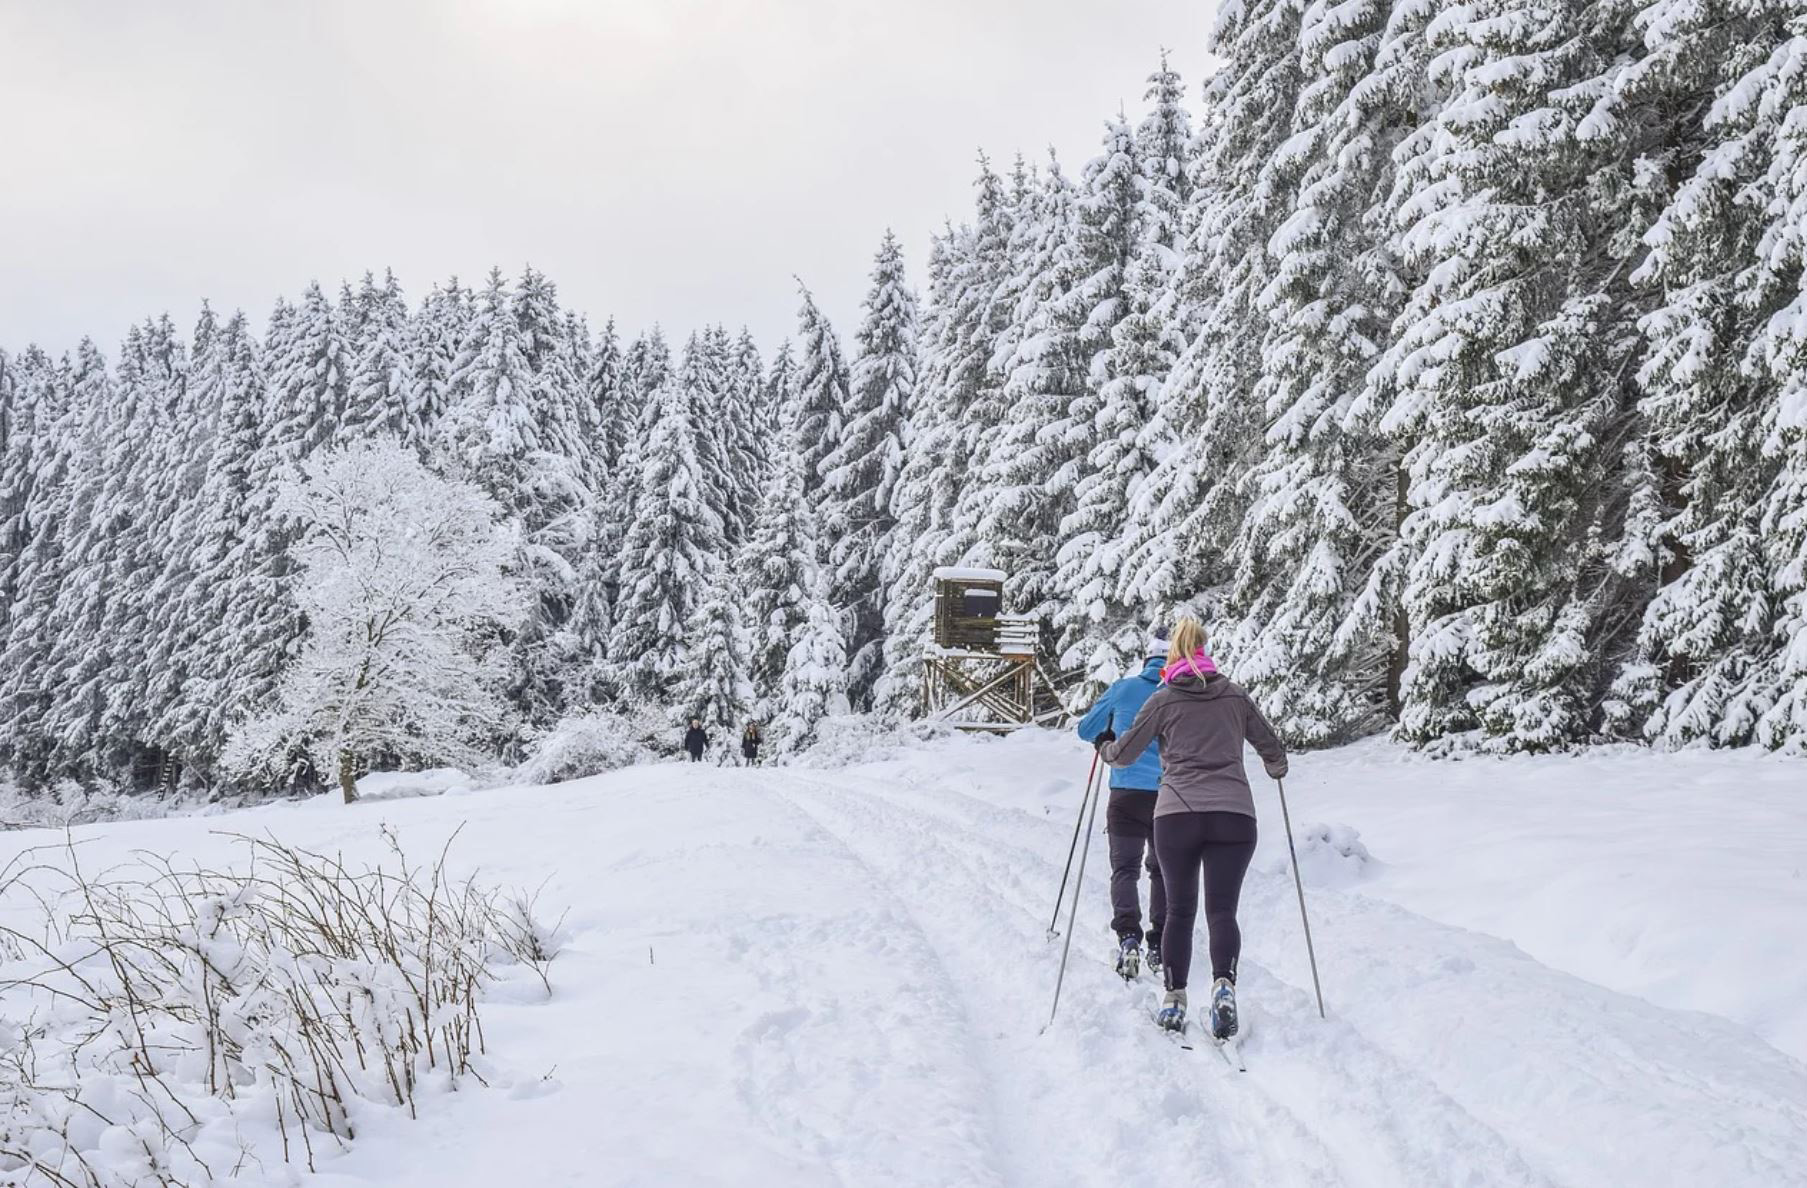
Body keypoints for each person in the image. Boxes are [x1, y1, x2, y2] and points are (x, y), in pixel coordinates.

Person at [1096, 617, 1287, 1041]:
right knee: (1222, 911)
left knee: (1180, 910)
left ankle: (1174, 998)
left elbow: (1125, 753)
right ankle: (1223, 985)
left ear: (1174, 655)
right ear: (1205, 649)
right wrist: (1276, 767)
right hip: (1235, 815)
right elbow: (1272, 747)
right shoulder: (1235, 696)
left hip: (1177, 815)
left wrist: (1105, 748)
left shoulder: (1164, 700)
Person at [1074, 625, 1171, 981]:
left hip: (1126, 793)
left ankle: (1128, 937)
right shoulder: (1177, 692)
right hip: (1168, 795)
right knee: (1162, 871)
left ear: (1146, 658)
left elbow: (1086, 729)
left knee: (1125, 870)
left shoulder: (1125, 688)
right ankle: (1159, 942)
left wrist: (1107, 735)